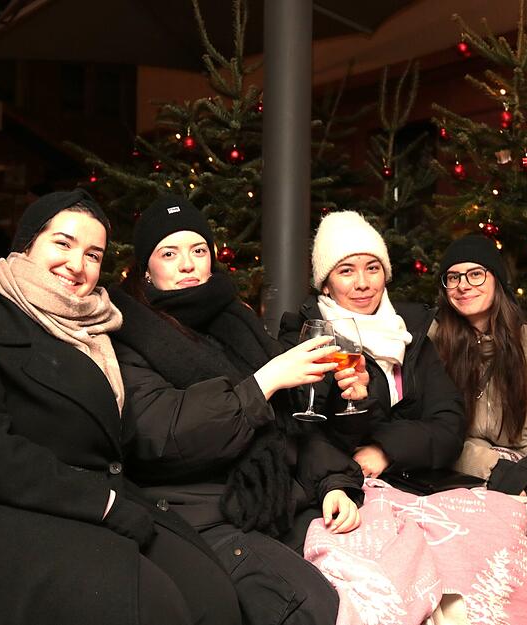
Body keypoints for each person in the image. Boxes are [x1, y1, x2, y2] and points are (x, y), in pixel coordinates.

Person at [0, 189, 241, 625]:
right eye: (62, 243)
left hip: (94, 505)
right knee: (151, 604)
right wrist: (102, 503)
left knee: (211, 596)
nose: (77, 266)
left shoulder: (97, 334)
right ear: (27, 245)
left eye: (93, 254)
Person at [109, 195, 365, 625]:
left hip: (274, 499)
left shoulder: (236, 318)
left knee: (386, 563)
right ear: (146, 269)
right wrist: (263, 382)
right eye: (169, 253)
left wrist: (332, 484)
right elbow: (163, 431)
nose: (187, 264)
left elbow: (291, 423)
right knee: (312, 608)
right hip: (198, 514)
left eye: (198, 250)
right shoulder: (126, 336)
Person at [279, 210, 465, 480]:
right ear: (326, 285)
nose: (363, 284)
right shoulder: (303, 339)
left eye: (372, 268)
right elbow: (305, 437)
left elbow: (450, 426)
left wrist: (385, 450)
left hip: (417, 483)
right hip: (341, 488)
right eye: (346, 271)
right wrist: (355, 405)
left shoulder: (409, 333)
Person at [428, 233, 527, 496]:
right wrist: (490, 468)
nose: (463, 285)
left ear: (497, 281)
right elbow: (427, 429)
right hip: (459, 477)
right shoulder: (433, 345)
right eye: (453, 277)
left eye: (475, 274)